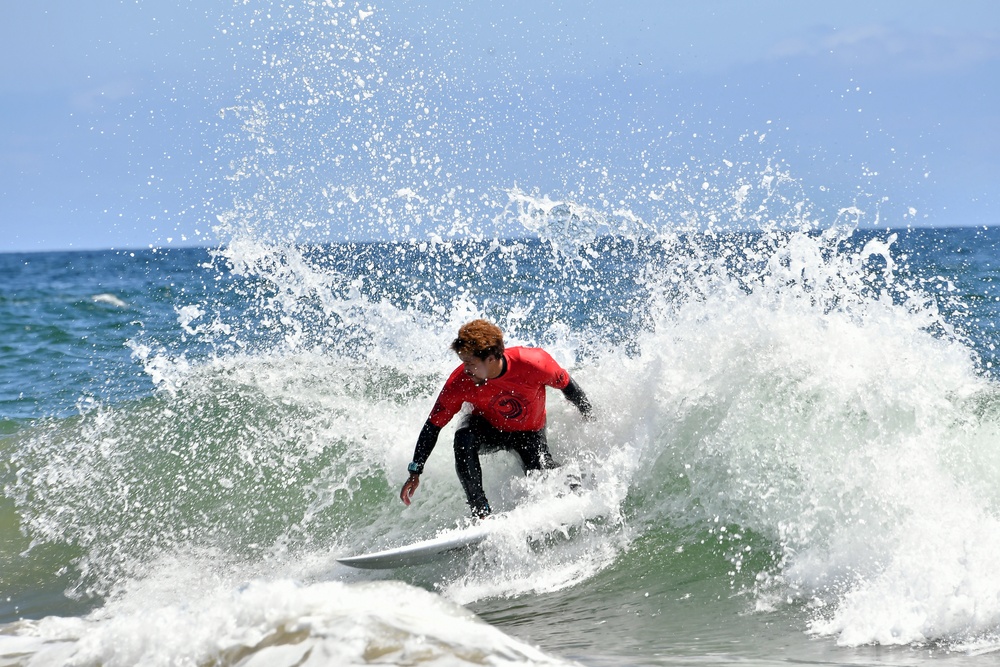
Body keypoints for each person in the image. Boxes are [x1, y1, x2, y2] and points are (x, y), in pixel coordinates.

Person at [399, 319, 593, 518]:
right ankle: (481, 512)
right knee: (464, 438)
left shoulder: (534, 363)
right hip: (488, 429)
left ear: (491, 359)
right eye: (463, 362)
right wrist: (415, 470)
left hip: (530, 433)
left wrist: (590, 417)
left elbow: (569, 388)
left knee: (544, 475)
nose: (466, 369)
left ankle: (584, 484)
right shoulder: (460, 382)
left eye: (470, 363)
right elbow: (433, 426)